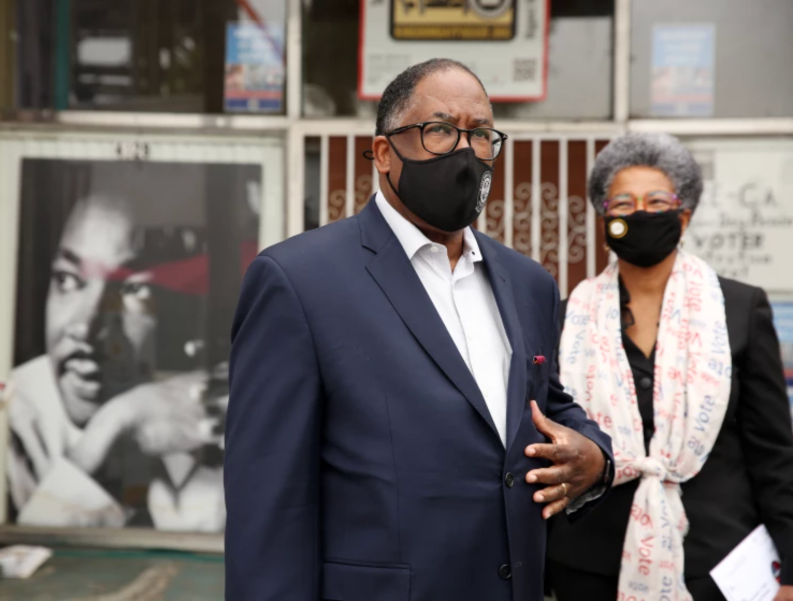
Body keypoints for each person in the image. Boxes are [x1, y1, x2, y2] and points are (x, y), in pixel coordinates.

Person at [225, 58, 613, 600]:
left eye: (480, 134)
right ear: (384, 153)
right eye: (440, 130)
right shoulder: (298, 280)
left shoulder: (529, 283)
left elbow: (544, 405)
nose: (465, 150)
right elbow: (269, 498)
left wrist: (595, 456)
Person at [547, 133, 793, 601]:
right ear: (604, 216)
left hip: (717, 562)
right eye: (624, 203)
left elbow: (773, 453)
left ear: (685, 214)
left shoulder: (739, 309)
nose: (641, 213)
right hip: (588, 561)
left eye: (657, 201)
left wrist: (792, 569)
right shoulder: (565, 319)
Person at [8, 190, 227, 531]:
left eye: (130, 289)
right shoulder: (6, 422)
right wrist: (110, 425)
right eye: (68, 280)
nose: (86, 326)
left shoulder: (211, 424)